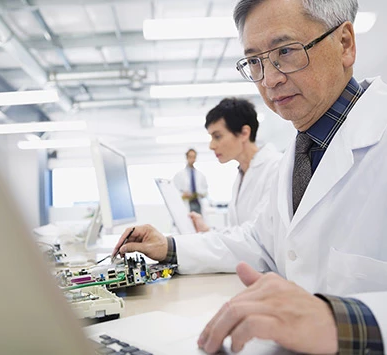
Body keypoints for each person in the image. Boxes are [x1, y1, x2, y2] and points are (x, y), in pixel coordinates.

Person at [113, 0, 387, 353]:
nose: (270, 79)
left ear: (345, 43)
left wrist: (341, 321)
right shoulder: (302, 151)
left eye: (286, 51)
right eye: (255, 62)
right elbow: (258, 242)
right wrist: (170, 247)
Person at [190, 98, 282, 232]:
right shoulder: (241, 174)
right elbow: (239, 232)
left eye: (217, 136)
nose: (211, 146)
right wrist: (207, 231)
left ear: (244, 133)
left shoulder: (275, 168)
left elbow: (256, 235)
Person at [172, 148, 208, 214]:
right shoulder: (179, 175)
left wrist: (200, 193)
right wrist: (182, 195)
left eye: (194, 157)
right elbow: (174, 191)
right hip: (186, 203)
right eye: (190, 157)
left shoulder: (200, 175)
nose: (192, 159)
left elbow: (205, 190)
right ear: (187, 158)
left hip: (198, 203)